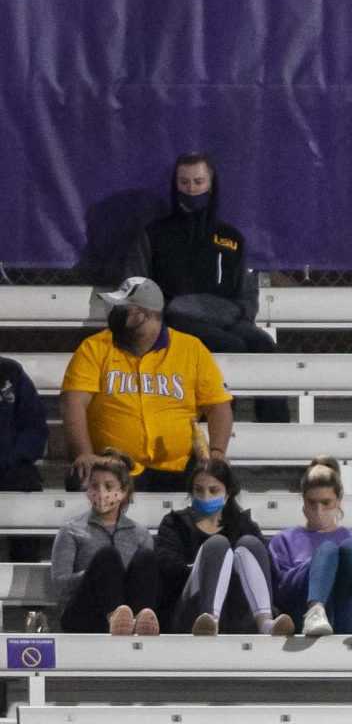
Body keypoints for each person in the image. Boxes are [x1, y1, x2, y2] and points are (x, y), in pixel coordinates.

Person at [61, 277, 230, 491]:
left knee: (216, 484)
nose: (114, 313)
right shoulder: (95, 347)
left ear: (146, 314)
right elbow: (73, 402)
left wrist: (216, 453)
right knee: (84, 479)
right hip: (114, 466)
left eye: (123, 309)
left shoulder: (191, 348)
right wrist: (83, 453)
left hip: (180, 466)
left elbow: (219, 406)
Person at [120, 152, 275, 365]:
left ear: (211, 185)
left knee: (263, 345)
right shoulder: (154, 234)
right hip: (174, 320)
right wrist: (159, 314)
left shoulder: (232, 237)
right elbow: (134, 285)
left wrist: (240, 314)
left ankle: (268, 400)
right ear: (175, 185)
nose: (191, 189)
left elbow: (246, 292)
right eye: (184, 182)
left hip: (226, 318)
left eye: (198, 182)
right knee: (231, 346)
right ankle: (224, 399)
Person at [268, 457, 352, 640]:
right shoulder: (284, 540)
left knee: (348, 548)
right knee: (327, 549)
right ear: (303, 502)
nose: (319, 510)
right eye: (312, 503)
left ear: (338, 501)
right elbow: (280, 591)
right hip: (301, 612)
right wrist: (318, 565)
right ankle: (315, 610)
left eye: (326, 503)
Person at [154, 455, 285, 636]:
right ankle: (209, 620)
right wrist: (209, 568)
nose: (205, 496)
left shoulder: (244, 524)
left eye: (213, 490)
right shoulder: (175, 524)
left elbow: (266, 566)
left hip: (239, 609)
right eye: (199, 490)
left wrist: (231, 570)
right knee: (217, 546)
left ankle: (265, 622)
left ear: (227, 495)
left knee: (250, 544)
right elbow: (167, 568)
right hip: (190, 610)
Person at [49, 451, 164, 635]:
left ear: (123, 492)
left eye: (108, 486)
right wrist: (95, 573)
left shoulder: (140, 534)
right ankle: (115, 619)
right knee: (107, 557)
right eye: (95, 486)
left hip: (131, 608)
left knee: (147, 557)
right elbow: (60, 586)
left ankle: (138, 622)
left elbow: (149, 582)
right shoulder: (71, 530)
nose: (101, 493)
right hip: (85, 613)